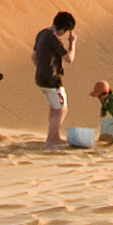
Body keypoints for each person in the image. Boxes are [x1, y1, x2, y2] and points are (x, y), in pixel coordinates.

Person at [33, 11, 78, 151]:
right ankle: (50, 141)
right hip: (52, 80)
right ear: (63, 29)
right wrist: (72, 44)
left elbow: (33, 56)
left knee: (54, 108)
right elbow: (69, 58)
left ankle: (54, 137)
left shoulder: (42, 33)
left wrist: (42, 68)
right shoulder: (54, 38)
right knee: (61, 110)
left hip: (41, 78)